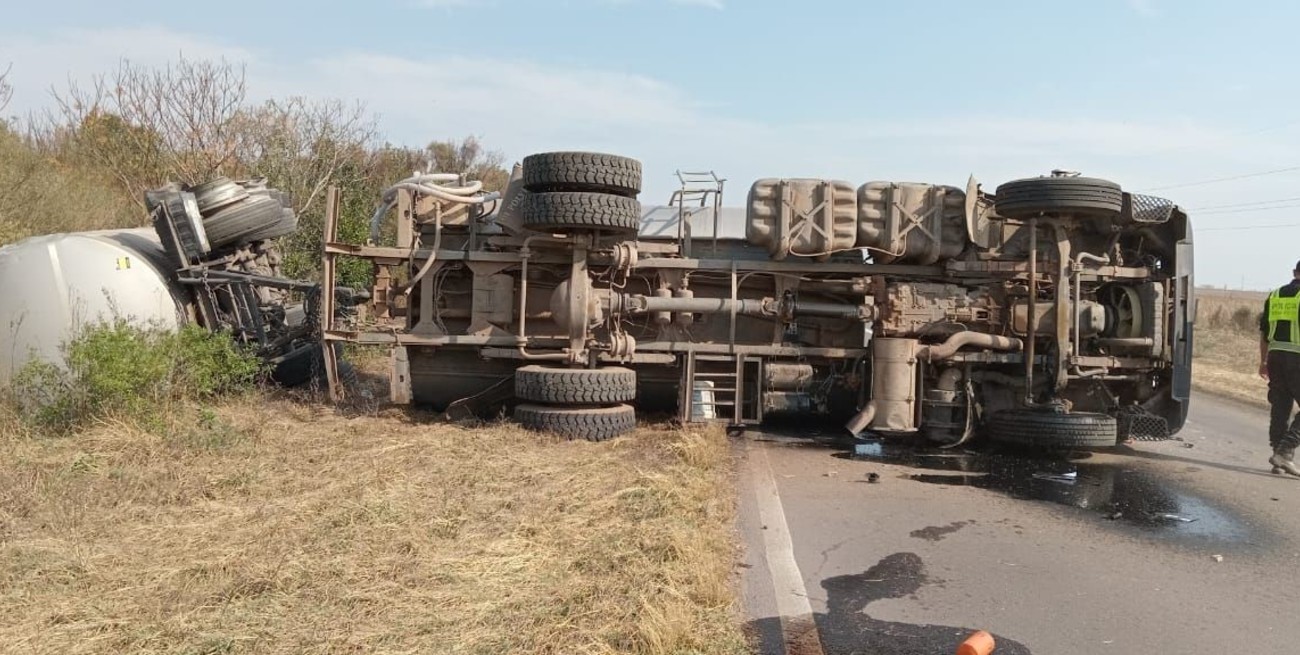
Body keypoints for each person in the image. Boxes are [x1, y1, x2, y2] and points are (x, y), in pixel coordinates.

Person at [1259, 260, 1300, 476]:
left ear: (1295, 272)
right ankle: (1284, 453)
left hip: (1275, 357)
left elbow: (1264, 332)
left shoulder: (1274, 296)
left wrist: (1263, 361)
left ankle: (1278, 458)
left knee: (1280, 408)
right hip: (1298, 358)